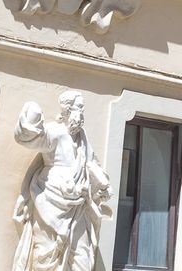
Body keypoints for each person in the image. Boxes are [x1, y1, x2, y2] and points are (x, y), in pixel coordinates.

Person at [12, 90, 110, 271]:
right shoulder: (54, 132)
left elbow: (90, 161)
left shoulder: (82, 136)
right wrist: (31, 116)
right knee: (47, 256)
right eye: (79, 108)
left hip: (78, 204)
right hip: (50, 200)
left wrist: (102, 181)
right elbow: (28, 138)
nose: (81, 113)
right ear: (67, 110)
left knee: (83, 260)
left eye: (82, 108)